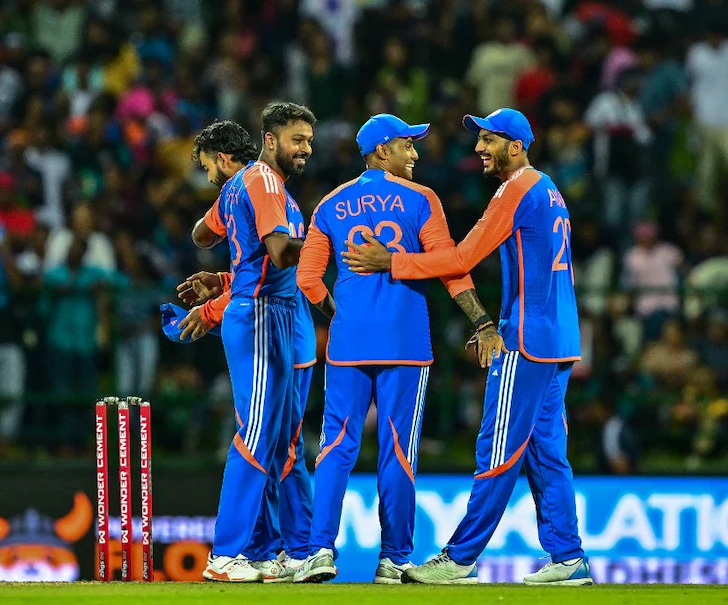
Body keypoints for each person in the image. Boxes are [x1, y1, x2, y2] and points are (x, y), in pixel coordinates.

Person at [343, 108, 592, 586]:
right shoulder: (547, 188)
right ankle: (568, 555)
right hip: (559, 337)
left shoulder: (516, 189)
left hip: (525, 339)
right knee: (547, 451)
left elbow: (461, 258)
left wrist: (392, 261)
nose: (479, 148)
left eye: (488, 140)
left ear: (515, 146)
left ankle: (459, 558)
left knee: (497, 450)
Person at [292, 114, 503, 584]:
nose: (415, 153)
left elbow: (307, 279)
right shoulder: (422, 198)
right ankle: (394, 558)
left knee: (335, 447)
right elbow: (450, 266)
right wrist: (482, 321)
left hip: (348, 343)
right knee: (398, 452)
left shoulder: (329, 203)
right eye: (408, 145)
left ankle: (319, 550)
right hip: (405, 343)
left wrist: (341, 313)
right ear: (382, 150)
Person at [179, 103, 316, 583]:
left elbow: (202, 235)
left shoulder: (252, 186)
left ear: (221, 159)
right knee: (258, 435)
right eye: (298, 139)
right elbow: (278, 254)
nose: (306, 149)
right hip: (261, 315)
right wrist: (325, 241)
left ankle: (266, 550)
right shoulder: (263, 181)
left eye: (309, 141)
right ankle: (226, 553)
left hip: (269, 313)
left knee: (276, 441)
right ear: (270, 140)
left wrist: (226, 262)